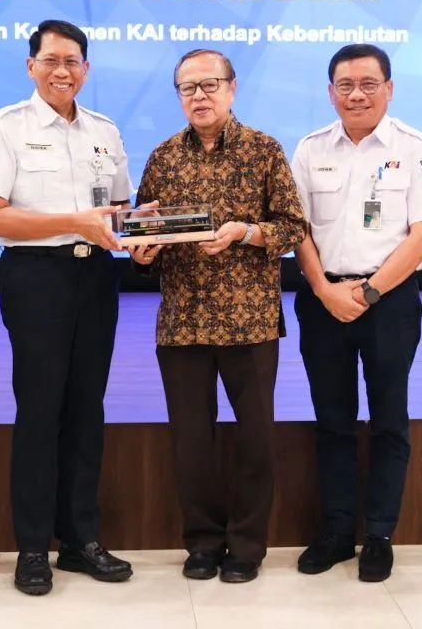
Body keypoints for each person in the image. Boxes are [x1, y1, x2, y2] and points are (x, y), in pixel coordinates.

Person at [129, 49, 306, 584]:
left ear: (231, 88)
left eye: (209, 85)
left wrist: (245, 232)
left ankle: (247, 546)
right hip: (182, 321)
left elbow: (293, 227)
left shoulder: (263, 150)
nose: (199, 96)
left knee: (256, 440)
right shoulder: (163, 157)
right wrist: (141, 251)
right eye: (188, 88)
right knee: (191, 443)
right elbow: (143, 233)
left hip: (249, 320)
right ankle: (202, 543)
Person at [0, 19, 134, 596]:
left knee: (87, 409)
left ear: (85, 69)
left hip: (97, 276)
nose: (62, 71)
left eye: (72, 62)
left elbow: (118, 211)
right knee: (40, 410)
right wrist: (73, 222)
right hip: (36, 277)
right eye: (51, 60)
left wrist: (145, 227)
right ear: (31, 66)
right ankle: (33, 548)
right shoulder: (6, 128)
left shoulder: (104, 131)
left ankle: (81, 540)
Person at [289, 44, 422, 583]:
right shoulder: (310, 148)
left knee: (388, 420)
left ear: (389, 89)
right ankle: (337, 532)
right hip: (322, 299)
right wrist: (325, 290)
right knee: (331, 420)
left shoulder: (416, 146)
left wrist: (370, 293)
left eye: (368, 84)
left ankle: (379, 534)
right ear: (331, 91)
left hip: (390, 301)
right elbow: (297, 230)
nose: (356, 94)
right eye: (345, 85)